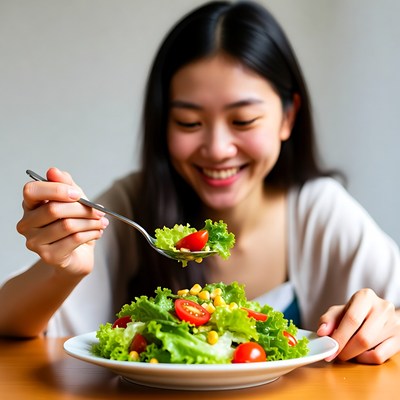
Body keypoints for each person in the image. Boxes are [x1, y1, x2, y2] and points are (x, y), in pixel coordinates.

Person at [0, 0, 399, 365]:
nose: (218, 148)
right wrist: (63, 270)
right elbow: (9, 322)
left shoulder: (319, 212)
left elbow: (392, 314)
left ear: (288, 117)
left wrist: (385, 321)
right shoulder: (130, 204)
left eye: (243, 121)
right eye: (189, 123)